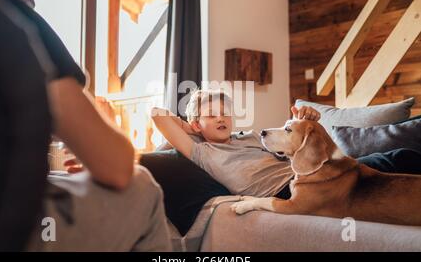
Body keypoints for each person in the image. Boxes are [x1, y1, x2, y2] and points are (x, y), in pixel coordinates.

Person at [0, 0, 171, 251]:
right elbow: (117, 167)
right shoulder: (14, 18)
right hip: (5, 231)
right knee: (143, 187)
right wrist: (97, 151)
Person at [152, 89, 421, 200]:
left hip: (310, 174)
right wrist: (193, 129)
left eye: (225, 113)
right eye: (212, 115)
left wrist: (305, 120)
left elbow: (292, 140)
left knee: (399, 157)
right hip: (287, 191)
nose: (221, 118)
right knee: (393, 161)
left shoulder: (252, 136)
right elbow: (157, 114)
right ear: (198, 125)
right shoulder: (201, 152)